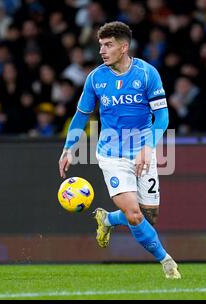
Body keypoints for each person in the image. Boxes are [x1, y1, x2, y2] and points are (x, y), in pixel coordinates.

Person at [58, 21, 181, 279]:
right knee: (135, 215)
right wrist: (69, 148)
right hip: (111, 155)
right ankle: (167, 262)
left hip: (143, 152)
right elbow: (81, 116)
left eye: (108, 45)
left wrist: (148, 148)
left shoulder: (147, 74)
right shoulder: (95, 78)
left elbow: (162, 119)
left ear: (123, 47)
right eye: (100, 45)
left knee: (150, 215)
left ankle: (108, 219)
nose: (102, 50)